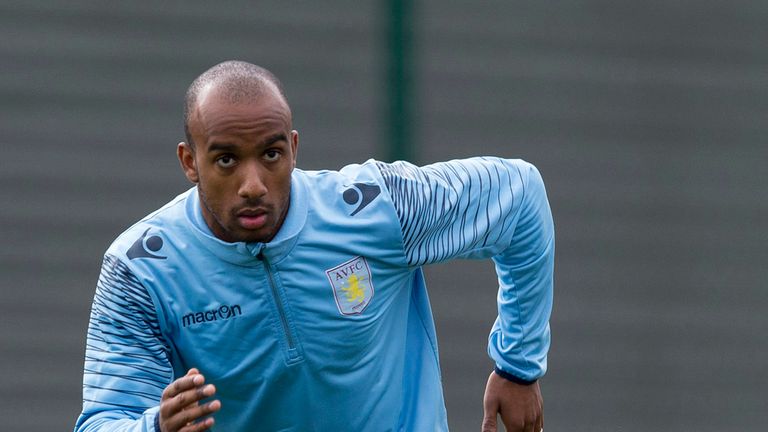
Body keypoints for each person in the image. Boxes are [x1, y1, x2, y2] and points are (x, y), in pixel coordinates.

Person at [74, 60, 554, 432]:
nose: (253, 184)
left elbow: (520, 196)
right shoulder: (141, 270)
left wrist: (518, 365)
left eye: (271, 154)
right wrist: (156, 426)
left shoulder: (373, 208)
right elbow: (103, 420)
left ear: (294, 148)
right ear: (189, 162)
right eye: (226, 159)